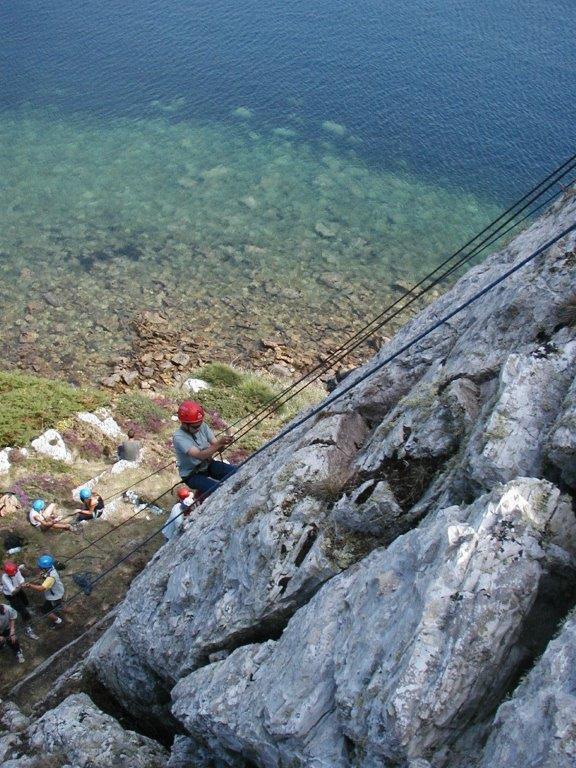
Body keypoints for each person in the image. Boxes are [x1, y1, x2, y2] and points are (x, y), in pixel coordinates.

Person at [173, 400, 237, 498]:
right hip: (192, 474)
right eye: (195, 426)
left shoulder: (202, 426)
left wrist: (224, 442)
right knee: (218, 490)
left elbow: (218, 448)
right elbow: (200, 455)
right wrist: (219, 443)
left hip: (208, 465)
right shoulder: (179, 437)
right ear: (185, 424)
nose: (199, 428)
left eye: (200, 424)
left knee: (236, 472)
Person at [23, 554, 65, 627]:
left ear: (44, 568)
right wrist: (43, 575)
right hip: (58, 592)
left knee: (46, 611)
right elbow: (47, 574)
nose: (39, 568)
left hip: (54, 597)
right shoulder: (52, 567)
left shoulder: (51, 578)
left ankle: (59, 621)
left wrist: (29, 585)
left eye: (41, 567)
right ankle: (60, 607)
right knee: (57, 605)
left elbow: (41, 588)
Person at [1, 562, 39, 639]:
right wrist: (21, 586)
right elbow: (13, 591)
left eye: (15, 573)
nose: (14, 575)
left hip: (18, 589)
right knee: (24, 613)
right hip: (11, 595)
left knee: (26, 602)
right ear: (7, 573)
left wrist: (22, 584)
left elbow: (21, 579)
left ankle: (21, 608)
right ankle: (27, 629)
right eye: (12, 575)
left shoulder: (16, 570)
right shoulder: (4, 578)